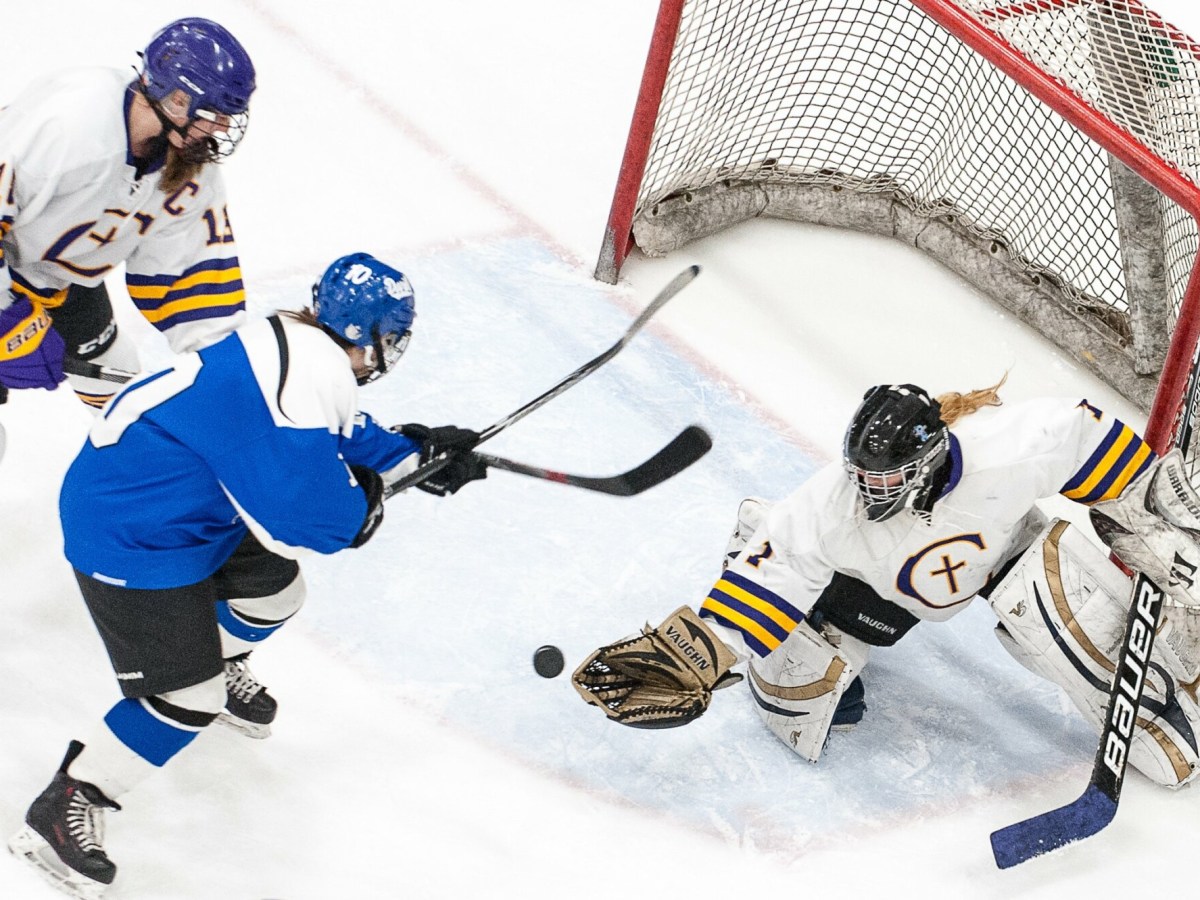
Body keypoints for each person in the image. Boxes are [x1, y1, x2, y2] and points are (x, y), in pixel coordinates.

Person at [7, 252, 487, 898]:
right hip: (130, 532)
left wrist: (417, 455)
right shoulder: (306, 375)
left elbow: (338, 435)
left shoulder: (297, 345)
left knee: (277, 593)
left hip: (180, 507)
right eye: (393, 336)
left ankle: (216, 657)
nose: (395, 348)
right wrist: (370, 499)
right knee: (188, 699)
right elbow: (315, 520)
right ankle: (66, 804)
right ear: (368, 335)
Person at [572, 379, 1200, 790]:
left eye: (885, 479)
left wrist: (1153, 515)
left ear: (928, 462)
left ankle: (1161, 696)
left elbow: (1098, 447)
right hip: (855, 589)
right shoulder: (827, 510)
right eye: (862, 475)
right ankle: (758, 542)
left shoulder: (1012, 446)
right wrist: (693, 655)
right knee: (807, 702)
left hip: (995, 550)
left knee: (1053, 596)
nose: (868, 490)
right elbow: (775, 571)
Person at [0, 17, 256, 408]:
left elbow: (194, 292)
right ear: (176, 100)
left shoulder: (192, 174)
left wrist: (228, 380)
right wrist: (5, 319)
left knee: (124, 396)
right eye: (214, 114)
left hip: (54, 280)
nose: (222, 128)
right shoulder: (70, 125)